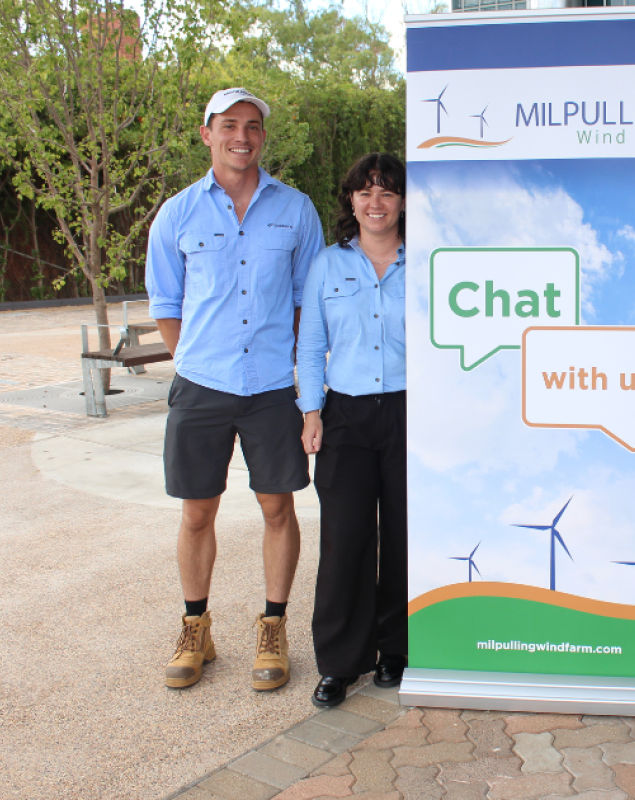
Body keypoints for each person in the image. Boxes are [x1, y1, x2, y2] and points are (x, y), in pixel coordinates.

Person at [146, 87, 324, 691]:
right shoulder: (177, 214)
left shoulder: (296, 210)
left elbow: (309, 303)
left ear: (261, 138)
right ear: (208, 134)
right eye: (229, 125)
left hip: (273, 387)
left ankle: (272, 627)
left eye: (251, 126)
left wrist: (299, 377)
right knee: (198, 512)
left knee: (278, 508)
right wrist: (193, 360)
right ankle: (197, 627)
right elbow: (167, 303)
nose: (241, 136)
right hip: (202, 386)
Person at [297, 153, 408, 708]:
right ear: (351, 201)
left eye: (387, 191)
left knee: (407, 536)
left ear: (404, 202)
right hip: (346, 414)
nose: (376, 202)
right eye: (365, 192)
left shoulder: (428, 263)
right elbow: (312, 345)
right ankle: (341, 662)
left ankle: (397, 650)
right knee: (345, 539)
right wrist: (311, 411)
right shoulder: (327, 265)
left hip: (412, 411)